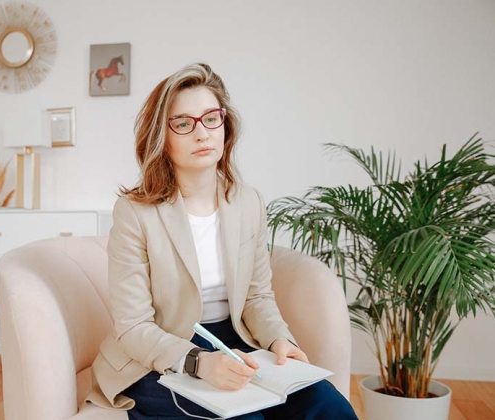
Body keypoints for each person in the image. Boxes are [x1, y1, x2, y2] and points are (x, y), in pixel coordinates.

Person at [87, 63, 358, 420]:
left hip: (235, 343)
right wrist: (200, 362)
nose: (201, 133)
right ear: (162, 137)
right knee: (245, 417)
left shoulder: (248, 202)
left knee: (330, 407)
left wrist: (280, 340)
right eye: (183, 123)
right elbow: (134, 327)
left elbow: (257, 297)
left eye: (211, 118)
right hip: (157, 356)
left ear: (225, 127)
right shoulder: (135, 212)